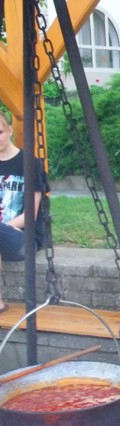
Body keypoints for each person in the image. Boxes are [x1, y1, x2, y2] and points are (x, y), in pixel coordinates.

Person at [0, 111, 49, 312]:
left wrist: (4, 229)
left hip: (22, 238)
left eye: (0, 132)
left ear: (10, 130)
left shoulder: (30, 163)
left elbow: (30, 216)